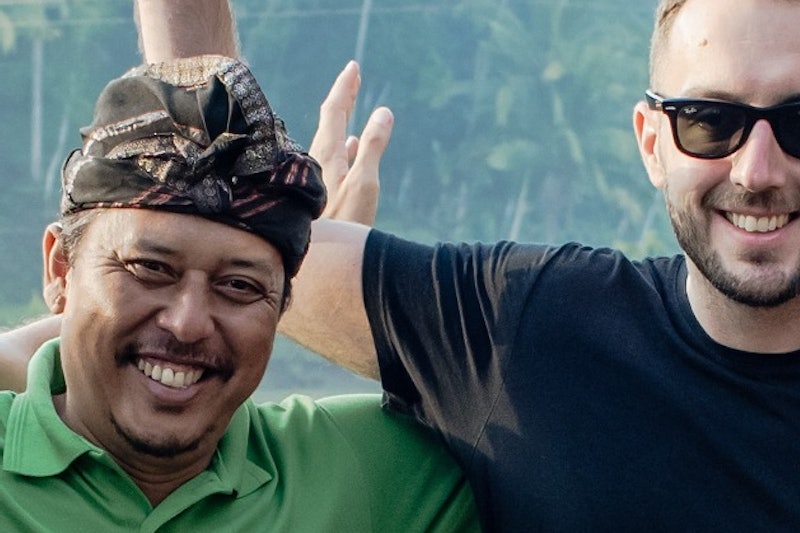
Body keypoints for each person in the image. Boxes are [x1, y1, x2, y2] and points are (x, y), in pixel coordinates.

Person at [11, 0, 800, 529]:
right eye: (710, 120)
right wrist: (238, 189)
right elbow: (198, 261)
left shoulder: (369, 468)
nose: (758, 169)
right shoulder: (532, 338)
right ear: (653, 140)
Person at [0, 7, 479, 532]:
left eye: (239, 285)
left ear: (285, 306)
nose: (188, 322)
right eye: (150, 267)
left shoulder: (369, 472)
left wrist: (341, 259)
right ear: (60, 268)